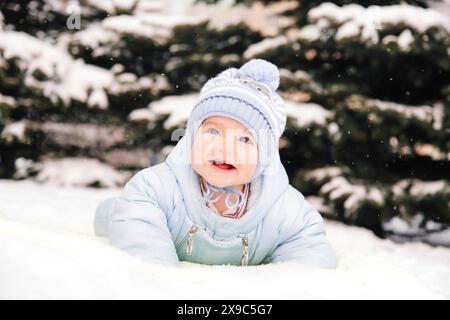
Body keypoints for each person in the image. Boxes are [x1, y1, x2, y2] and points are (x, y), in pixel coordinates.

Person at [94, 59, 337, 268]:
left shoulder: (284, 210)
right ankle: (111, 209)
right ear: (191, 138)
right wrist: (162, 282)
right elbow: (141, 237)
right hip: (137, 214)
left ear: (265, 156)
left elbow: (309, 253)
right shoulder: (156, 188)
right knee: (121, 212)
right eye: (213, 133)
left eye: (244, 139)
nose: (226, 148)